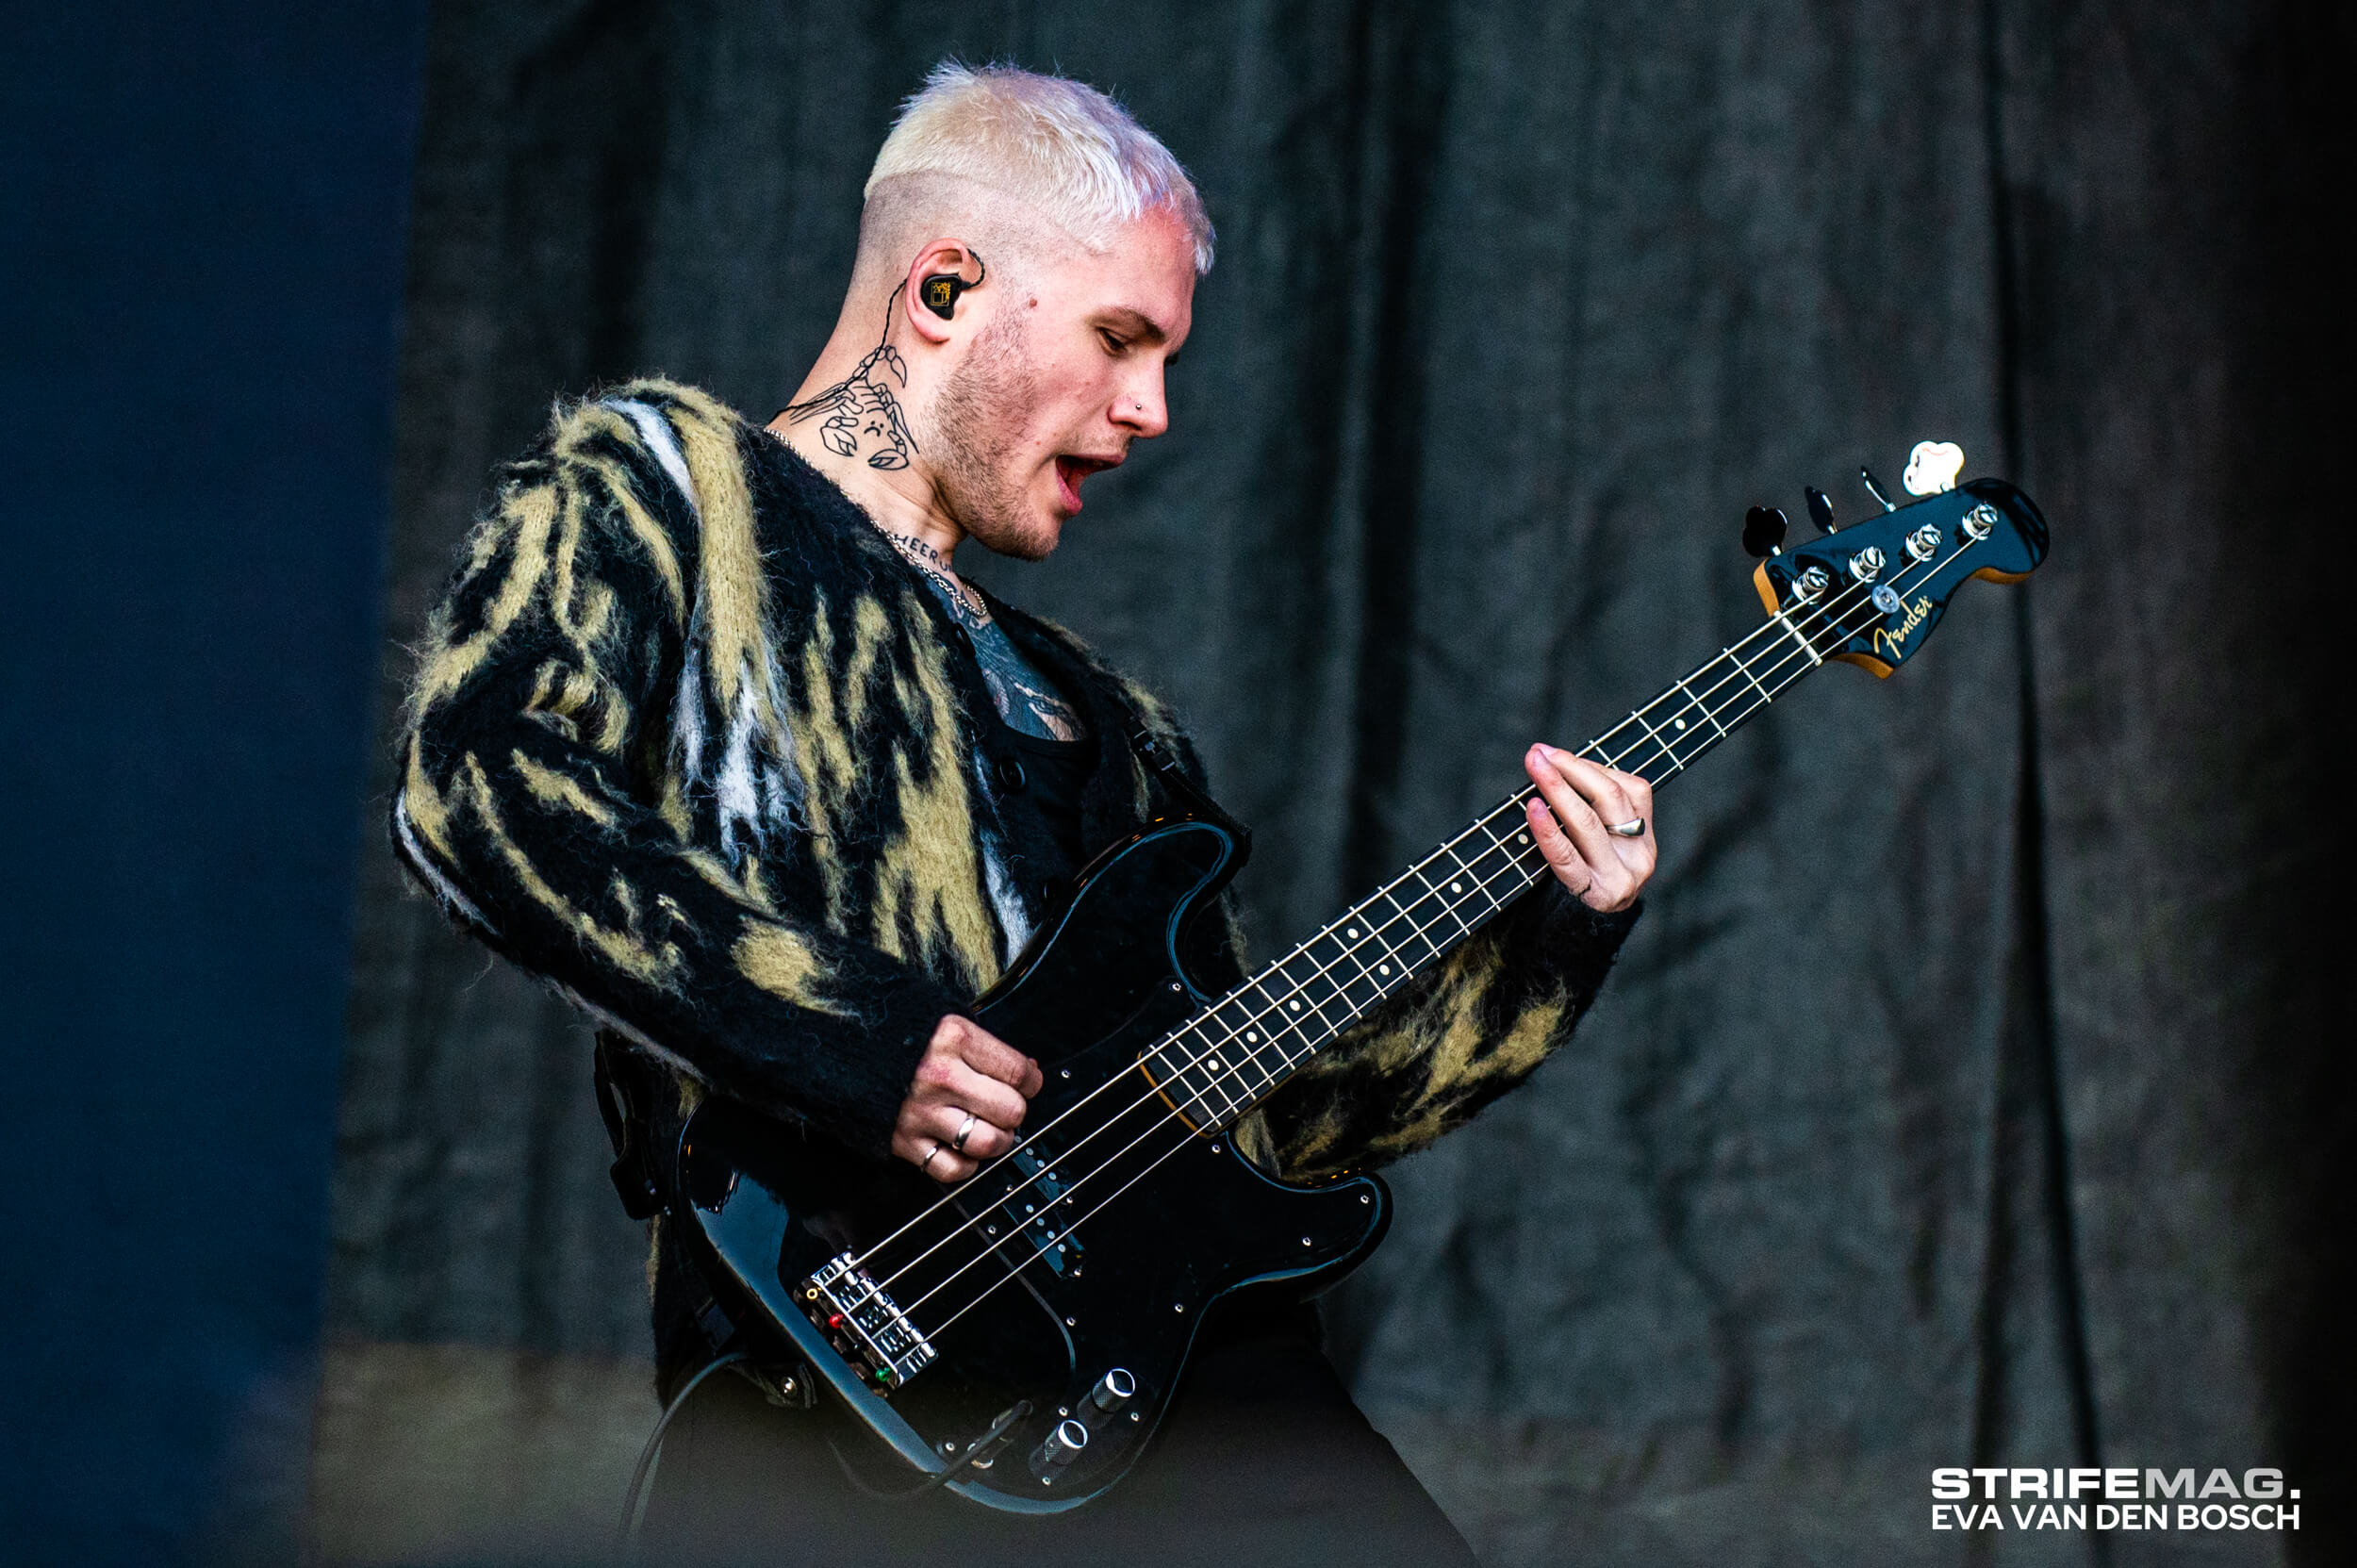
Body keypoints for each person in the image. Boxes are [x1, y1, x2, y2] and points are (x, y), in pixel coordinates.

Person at [391, 61, 1658, 1567]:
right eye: (1122, 339)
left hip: (1187, 1405)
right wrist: (860, 1046)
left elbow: (1259, 1135)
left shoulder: (1113, 725)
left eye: (1167, 360)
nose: (1152, 410)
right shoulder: (666, 492)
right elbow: (480, 785)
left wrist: (1555, 936)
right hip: (844, 1400)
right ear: (943, 291)